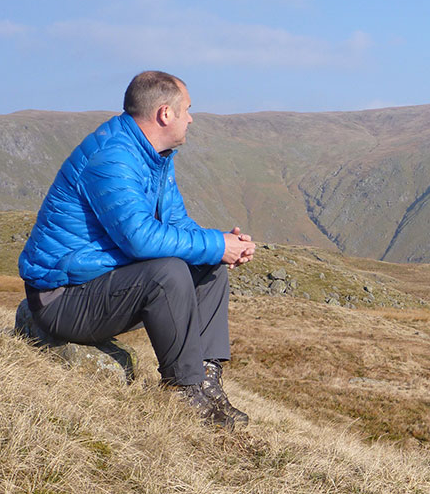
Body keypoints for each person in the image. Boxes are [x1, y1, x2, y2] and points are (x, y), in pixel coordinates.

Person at [18, 71, 255, 429]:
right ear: (165, 113)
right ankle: (184, 391)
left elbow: (176, 223)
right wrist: (215, 245)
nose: (191, 118)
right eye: (187, 110)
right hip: (61, 299)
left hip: (98, 283)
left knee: (208, 267)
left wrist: (223, 245)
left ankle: (207, 384)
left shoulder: (154, 157)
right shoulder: (112, 158)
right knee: (168, 273)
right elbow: (139, 239)